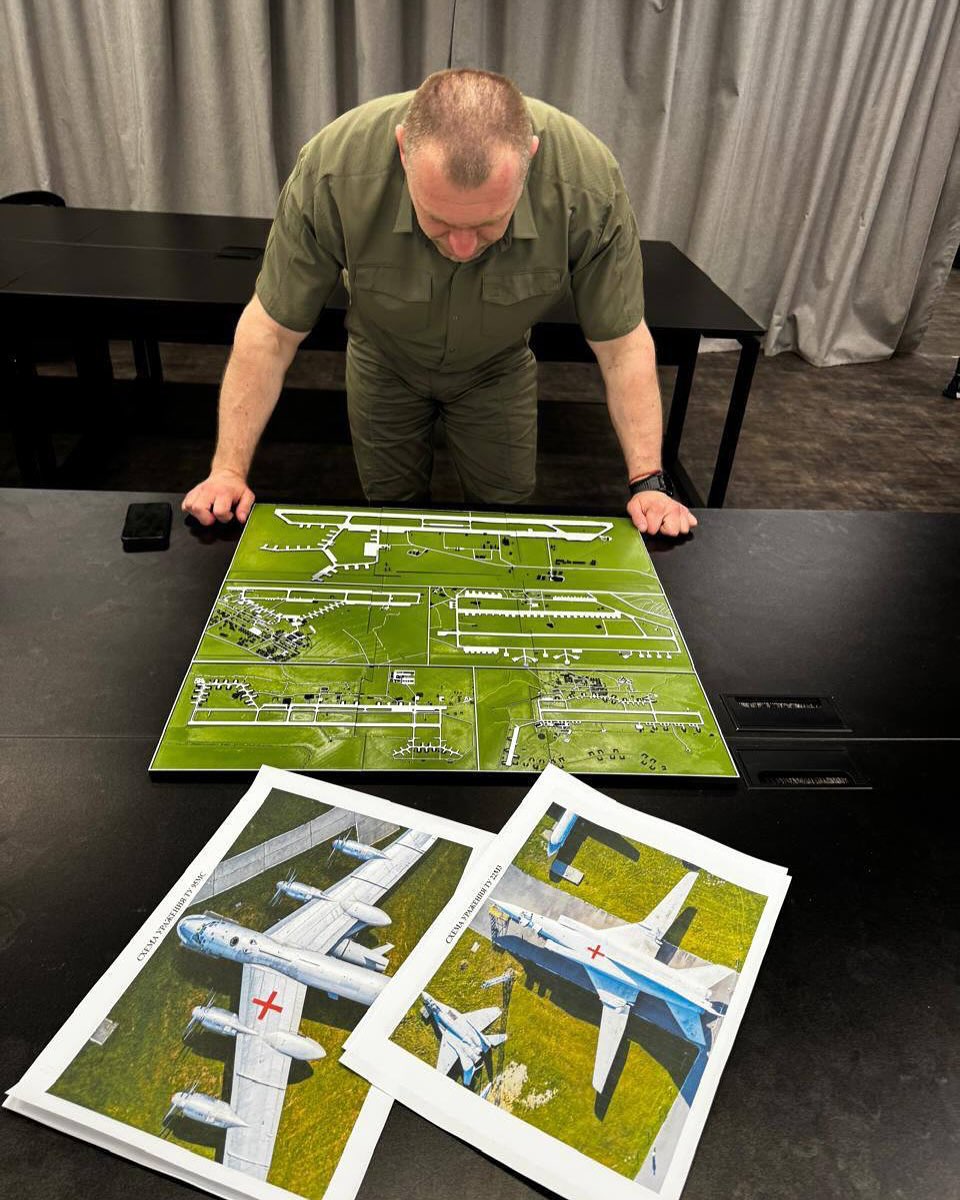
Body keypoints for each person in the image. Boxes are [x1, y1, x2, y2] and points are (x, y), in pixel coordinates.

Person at [183, 68, 696, 537]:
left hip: (496, 366)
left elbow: (622, 345)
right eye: (439, 220)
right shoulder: (333, 172)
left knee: (505, 521)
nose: (463, 248)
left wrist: (649, 480)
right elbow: (271, 331)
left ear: (530, 158)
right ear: (403, 151)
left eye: (488, 223)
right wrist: (227, 471)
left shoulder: (587, 187)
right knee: (390, 518)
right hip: (385, 359)